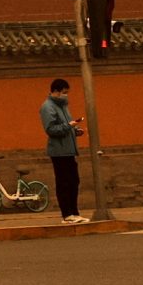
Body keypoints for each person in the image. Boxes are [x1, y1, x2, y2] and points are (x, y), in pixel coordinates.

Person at [41, 79, 89, 223]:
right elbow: (50, 129)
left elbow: (67, 126)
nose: (66, 95)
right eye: (64, 93)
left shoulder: (63, 106)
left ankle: (74, 212)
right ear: (56, 91)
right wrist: (69, 126)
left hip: (69, 149)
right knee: (64, 182)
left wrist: (75, 131)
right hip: (59, 151)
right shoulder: (47, 107)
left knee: (74, 181)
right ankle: (66, 214)